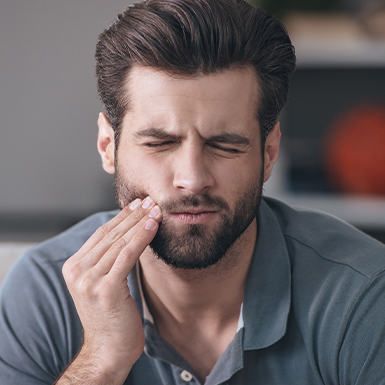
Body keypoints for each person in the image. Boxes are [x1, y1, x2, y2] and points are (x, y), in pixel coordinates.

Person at [1, 0, 385, 384]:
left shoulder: (363, 296)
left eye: (225, 145)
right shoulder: (43, 292)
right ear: (108, 147)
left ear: (269, 153)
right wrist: (101, 361)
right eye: (159, 143)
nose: (192, 178)